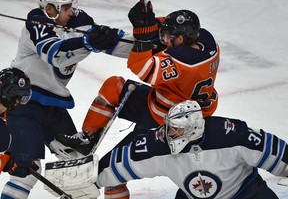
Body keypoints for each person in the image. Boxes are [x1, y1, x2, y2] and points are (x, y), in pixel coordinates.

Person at [57, 1, 220, 198]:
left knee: (112, 174)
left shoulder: (186, 59)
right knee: (114, 86)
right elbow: (163, 30)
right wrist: (148, 24)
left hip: (167, 124)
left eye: (170, 38)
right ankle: (87, 139)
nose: (165, 40)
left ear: (182, 39)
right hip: (162, 102)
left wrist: (142, 37)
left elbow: (142, 68)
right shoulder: (206, 40)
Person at [0, 0, 133, 198]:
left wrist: (152, 44)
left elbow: (111, 43)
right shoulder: (36, 21)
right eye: (66, 7)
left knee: (75, 166)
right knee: (27, 172)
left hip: (54, 106)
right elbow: (54, 54)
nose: (71, 11)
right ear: (50, 9)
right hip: (22, 102)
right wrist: (86, 42)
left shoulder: (78, 20)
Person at [48, 100, 286, 198]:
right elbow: (119, 164)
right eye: (168, 128)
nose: (167, 134)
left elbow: (277, 153)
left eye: (175, 131)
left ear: (192, 130)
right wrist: (85, 182)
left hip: (246, 193)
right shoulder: (157, 146)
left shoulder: (232, 135)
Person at [0, 67, 36, 177]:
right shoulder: (2, 134)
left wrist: (9, 159)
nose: (19, 102)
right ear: (11, 93)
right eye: (20, 97)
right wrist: (7, 162)